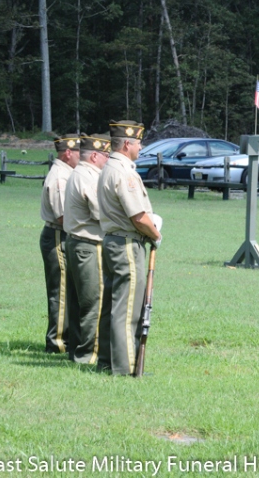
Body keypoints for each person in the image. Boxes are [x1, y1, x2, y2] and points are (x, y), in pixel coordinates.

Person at [96, 121, 162, 376]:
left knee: (111, 306)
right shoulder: (124, 172)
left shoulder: (108, 167)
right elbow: (138, 217)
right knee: (128, 308)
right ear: (126, 144)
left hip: (112, 240)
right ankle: (125, 367)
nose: (141, 147)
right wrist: (156, 234)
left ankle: (106, 360)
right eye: (138, 142)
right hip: (126, 243)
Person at [63, 134, 111, 364]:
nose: (108, 160)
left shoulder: (78, 173)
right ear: (94, 156)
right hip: (89, 244)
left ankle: (76, 350)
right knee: (94, 302)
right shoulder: (89, 177)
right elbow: (101, 212)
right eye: (105, 155)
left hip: (76, 242)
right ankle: (88, 354)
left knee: (77, 301)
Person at [40, 134, 80, 354]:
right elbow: (64, 217)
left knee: (67, 289)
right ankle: (56, 342)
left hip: (63, 234)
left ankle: (66, 338)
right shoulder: (60, 178)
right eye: (78, 152)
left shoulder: (67, 174)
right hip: (58, 235)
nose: (81, 156)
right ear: (67, 153)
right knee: (60, 290)